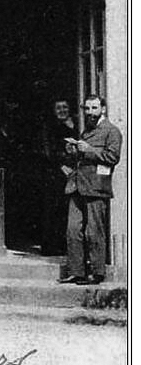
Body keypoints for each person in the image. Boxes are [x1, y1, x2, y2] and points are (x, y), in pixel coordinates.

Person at [58, 95, 122, 286]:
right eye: (87, 109)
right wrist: (74, 150)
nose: (90, 113)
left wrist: (88, 149)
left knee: (93, 231)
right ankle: (76, 272)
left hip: (95, 187)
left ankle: (97, 272)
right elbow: (84, 155)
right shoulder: (88, 130)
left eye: (94, 108)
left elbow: (112, 157)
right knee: (72, 230)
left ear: (102, 109)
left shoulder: (112, 131)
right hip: (77, 185)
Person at [40, 99, 77, 255]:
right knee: (54, 209)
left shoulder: (76, 124)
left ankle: (66, 246)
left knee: (69, 209)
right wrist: (60, 165)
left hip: (74, 171)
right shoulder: (49, 127)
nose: (62, 110)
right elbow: (47, 149)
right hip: (55, 173)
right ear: (53, 111)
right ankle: (50, 247)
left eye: (65, 107)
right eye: (58, 108)